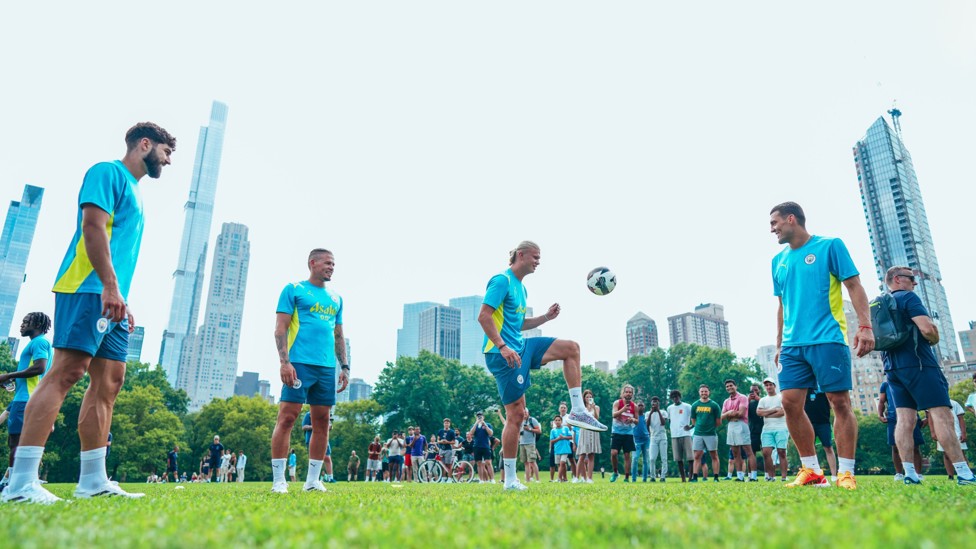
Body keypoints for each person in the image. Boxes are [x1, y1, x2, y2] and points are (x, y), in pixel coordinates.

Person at [2, 123, 175, 504]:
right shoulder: (107, 172)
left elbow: (119, 249)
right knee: (67, 371)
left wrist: (123, 299)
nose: (167, 160)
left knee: (110, 380)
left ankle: (93, 480)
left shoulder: (137, 194)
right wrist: (109, 287)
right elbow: (93, 228)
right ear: (144, 144)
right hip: (86, 288)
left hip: (113, 297)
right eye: (165, 151)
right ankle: (20, 484)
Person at [477, 241, 607, 492]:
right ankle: (511, 480)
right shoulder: (501, 281)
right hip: (500, 353)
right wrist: (503, 346)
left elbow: (517, 323)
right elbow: (484, 316)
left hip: (521, 346)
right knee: (515, 415)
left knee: (571, 348)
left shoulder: (521, 289)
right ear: (521, 255)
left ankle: (578, 409)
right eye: (535, 257)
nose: (538, 261)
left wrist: (545, 318)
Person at [769, 201, 874, 490]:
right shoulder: (777, 261)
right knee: (790, 403)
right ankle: (812, 470)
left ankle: (846, 472)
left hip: (828, 339)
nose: (772, 229)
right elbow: (782, 305)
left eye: (774, 223)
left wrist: (865, 327)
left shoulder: (830, 246)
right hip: (792, 345)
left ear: (791, 219)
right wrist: (779, 343)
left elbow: (854, 286)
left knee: (839, 402)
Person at [877, 266, 975, 486]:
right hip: (919, 364)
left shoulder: (880, 302)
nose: (915, 283)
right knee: (942, 415)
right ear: (898, 279)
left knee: (904, 420)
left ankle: (909, 473)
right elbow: (927, 329)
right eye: (912, 279)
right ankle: (964, 473)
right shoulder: (908, 298)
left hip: (892, 369)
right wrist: (934, 339)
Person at [270, 248, 349, 494]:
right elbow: (280, 329)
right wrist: (285, 362)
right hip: (299, 363)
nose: (332, 267)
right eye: (327, 263)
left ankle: (313, 481)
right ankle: (279, 481)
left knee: (322, 423)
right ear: (312, 263)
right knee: (288, 418)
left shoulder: (336, 298)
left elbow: (338, 334)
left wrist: (344, 366)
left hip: (326, 367)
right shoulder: (293, 290)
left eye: (334, 264)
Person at [0, 313, 52, 494]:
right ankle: (11, 480)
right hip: (23, 398)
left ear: (37, 323)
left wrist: (9, 375)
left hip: (26, 400)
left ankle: (14, 484)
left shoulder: (39, 342)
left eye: (25, 322)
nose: (22, 325)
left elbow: (40, 368)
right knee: (14, 441)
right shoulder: (35, 343)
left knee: (17, 442)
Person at [878, 380, 924, 481]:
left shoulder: (908, 380)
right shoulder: (886, 385)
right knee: (895, 447)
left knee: (915, 446)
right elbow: (882, 401)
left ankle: (918, 474)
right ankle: (899, 473)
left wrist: (927, 414)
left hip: (911, 416)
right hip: (893, 418)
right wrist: (880, 415)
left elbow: (921, 396)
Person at [722, 379, 757, 481]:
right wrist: (730, 413)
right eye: (727, 386)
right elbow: (722, 416)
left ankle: (753, 477)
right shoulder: (726, 401)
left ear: (735, 386)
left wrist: (729, 414)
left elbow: (741, 413)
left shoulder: (743, 398)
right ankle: (740, 476)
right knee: (735, 452)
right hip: (731, 425)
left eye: (731, 385)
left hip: (742, 425)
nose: (729, 387)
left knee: (748, 451)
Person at [757, 378, 790, 481]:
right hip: (767, 429)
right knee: (766, 453)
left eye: (770, 385)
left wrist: (766, 414)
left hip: (781, 428)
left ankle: (784, 477)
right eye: (766, 385)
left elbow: (782, 412)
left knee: (781, 452)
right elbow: (759, 413)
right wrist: (773, 410)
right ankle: (771, 476)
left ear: (774, 386)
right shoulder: (763, 400)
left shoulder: (781, 397)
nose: (768, 387)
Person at [803, 389, 838, 481]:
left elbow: (831, 404)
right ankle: (812, 472)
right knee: (809, 449)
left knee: (828, 447)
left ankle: (834, 475)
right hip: (809, 423)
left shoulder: (824, 389)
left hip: (824, 423)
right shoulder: (806, 390)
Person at [689, 385, 721, 482]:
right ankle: (695, 477)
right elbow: (693, 420)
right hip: (698, 434)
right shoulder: (695, 405)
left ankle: (716, 477)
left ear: (709, 392)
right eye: (702, 391)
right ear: (699, 392)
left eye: (705, 391)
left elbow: (718, 422)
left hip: (711, 434)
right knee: (697, 455)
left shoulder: (714, 405)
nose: (704, 393)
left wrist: (710, 428)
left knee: (714, 455)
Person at [933, 400, 969, 481]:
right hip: (941, 432)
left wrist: (963, 433)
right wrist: (933, 432)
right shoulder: (933, 402)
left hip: (957, 432)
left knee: (961, 453)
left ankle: (966, 473)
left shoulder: (954, 403)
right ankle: (950, 476)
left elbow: (961, 419)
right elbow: (930, 419)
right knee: (946, 454)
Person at [610, 384, 638, 482]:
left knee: (627, 455)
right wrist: (623, 410)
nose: (628, 394)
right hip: (617, 431)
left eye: (630, 392)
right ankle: (615, 472)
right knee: (614, 453)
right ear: (623, 393)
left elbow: (637, 421)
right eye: (626, 392)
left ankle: (626, 477)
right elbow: (614, 415)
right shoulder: (617, 403)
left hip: (628, 433)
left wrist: (633, 419)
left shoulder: (635, 406)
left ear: (632, 394)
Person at [575, 389, 602, 484]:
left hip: (593, 431)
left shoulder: (596, 407)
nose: (589, 398)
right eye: (587, 397)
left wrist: (593, 408)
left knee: (591, 455)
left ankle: (590, 478)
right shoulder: (582, 408)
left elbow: (597, 418)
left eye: (590, 397)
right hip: (584, 431)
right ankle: (577, 477)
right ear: (584, 398)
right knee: (582, 455)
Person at [667, 390, 694, 482]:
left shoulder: (687, 406)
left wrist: (691, 426)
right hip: (675, 435)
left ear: (680, 396)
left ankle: (690, 477)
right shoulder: (669, 408)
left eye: (677, 396)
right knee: (678, 458)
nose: (675, 398)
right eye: (673, 397)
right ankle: (683, 478)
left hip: (686, 434)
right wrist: (672, 430)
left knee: (690, 457)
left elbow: (694, 418)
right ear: (671, 398)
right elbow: (670, 420)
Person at [646, 396, 669, 482]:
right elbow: (647, 424)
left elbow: (663, 423)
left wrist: (658, 411)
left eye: (656, 402)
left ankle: (663, 476)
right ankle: (653, 476)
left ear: (658, 403)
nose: (654, 404)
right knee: (652, 458)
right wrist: (652, 412)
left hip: (662, 437)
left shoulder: (663, 412)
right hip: (653, 437)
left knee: (664, 458)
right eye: (653, 403)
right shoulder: (648, 413)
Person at [518, 409, 542, 483]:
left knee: (532, 461)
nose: (524, 413)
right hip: (522, 443)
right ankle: (527, 480)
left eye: (526, 412)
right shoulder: (520, 421)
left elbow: (539, 431)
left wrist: (530, 429)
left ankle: (538, 480)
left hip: (530, 443)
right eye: (523, 412)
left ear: (528, 413)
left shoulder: (532, 420)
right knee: (525, 462)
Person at [470, 412, 494, 483]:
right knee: (479, 463)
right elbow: (471, 433)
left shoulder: (488, 425)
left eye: (481, 416)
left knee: (488, 462)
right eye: (478, 416)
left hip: (485, 446)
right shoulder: (474, 425)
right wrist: (476, 423)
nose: (479, 418)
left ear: (483, 417)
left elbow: (491, 433)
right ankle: (481, 480)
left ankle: (492, 479)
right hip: (477, 446)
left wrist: (485, 425)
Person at [630, 401, 651, 482]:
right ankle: (633, 479)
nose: (640, 407)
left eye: (642, 405)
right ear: (636, 407)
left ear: (644, 407)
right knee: (635, 458)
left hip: (646, 440)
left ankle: (645, 479)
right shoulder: (634, 417)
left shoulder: (646, 417)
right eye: (639, 405)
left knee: (646, 460)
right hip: (636, 440)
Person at [747, 384, 765, 477]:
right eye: (751, 391)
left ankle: (768, 475)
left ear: (759, 391)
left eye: (755, 390)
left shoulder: (764, 401)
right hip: (752, 430)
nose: (753, 392)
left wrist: (759, 399)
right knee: (751, 453)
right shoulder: (749, 403)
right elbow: (743, 414)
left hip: (764, 429)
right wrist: (748, 400)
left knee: (766, 452)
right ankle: (750, 475)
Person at [549, 415, 573, 482]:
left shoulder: (566, 428)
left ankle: (559, 478)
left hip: (565, 449)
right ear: (554, 422)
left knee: (562, 463)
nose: (557, 422)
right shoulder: (553, 431)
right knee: (560, 465)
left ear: (561, 421)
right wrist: (558, 438)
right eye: (556, 420)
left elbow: (571, 437)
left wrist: (564, 437)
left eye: (559, 420)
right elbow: (552, 441)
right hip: (557, 449)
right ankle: (565, 478)